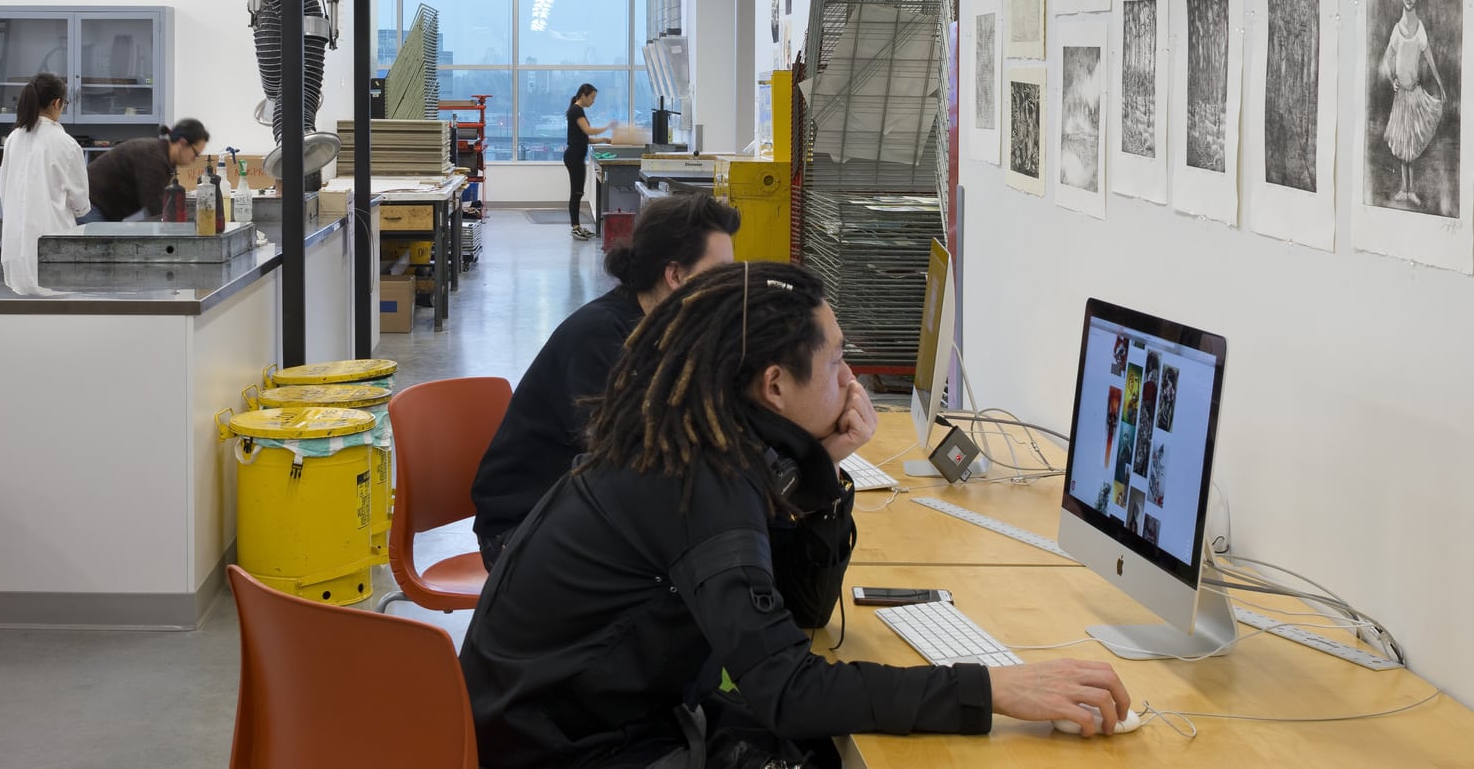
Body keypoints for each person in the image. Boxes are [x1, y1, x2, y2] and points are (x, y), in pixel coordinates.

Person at [460, 261, 1132, 768]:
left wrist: (817, 475)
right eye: (836, 360)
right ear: (775, 386)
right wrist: (993, 688)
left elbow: (803, 612)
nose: (851, 380)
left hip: (593, 719)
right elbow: (788, 688)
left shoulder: (700, 444)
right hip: (570, 749)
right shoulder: (699, 480)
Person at [471, 192, 741, 569]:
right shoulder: (600, 338)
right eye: (721, 274)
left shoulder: (668, 330)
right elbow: (627, 468)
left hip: (585, 514)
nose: (731, 289)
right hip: (522, 531)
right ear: (676, 275)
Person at [0, 72, 89, 290]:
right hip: (54, 252)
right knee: (55, 305)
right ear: (57, 103)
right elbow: (81, 205)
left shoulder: (13, 139)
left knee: (25, 306)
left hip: (16, 256)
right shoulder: (66, 144)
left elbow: (4, 191)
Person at [1379, 0, 1447, 206]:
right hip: (1402, 97)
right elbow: (1386, 60)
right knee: (1402, 142)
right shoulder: (1397, 31)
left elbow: (1429, 58)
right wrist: (1392, 80)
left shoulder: (1420, 30)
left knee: (1411, 142)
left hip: (1416, 94)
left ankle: (1411, 189)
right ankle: (1404, 188)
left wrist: (1440, 85)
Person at [84, 119, 210, 222]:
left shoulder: (163, 156)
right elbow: (156, 207)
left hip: (106, 209)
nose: (194, 159)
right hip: (93, 206)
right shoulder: (154, 158)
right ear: (182, 143)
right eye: (196, 154)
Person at [564, 83, 617, 240]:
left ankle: (577, 226)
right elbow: (588, 131)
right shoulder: (576, 110)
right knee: (576, 192)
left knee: (578, 192)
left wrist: (605, 140)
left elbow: (586, 138)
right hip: (574, 157)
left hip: (576, 157)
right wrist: (607, 126)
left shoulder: (578, 110)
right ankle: (575, 228)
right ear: (583, 95)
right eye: (592, 97)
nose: (593, 101)